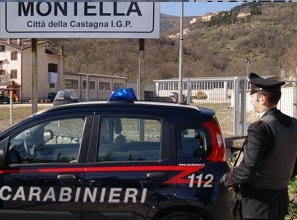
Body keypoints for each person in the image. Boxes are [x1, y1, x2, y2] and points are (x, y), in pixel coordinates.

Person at [221, 72, 297, 220]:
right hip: (279, 202)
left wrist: (227, 179)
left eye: (252, 95)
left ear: (262, 99)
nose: (251, 99)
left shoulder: (260, 128)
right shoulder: (294, 124)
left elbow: (248, 169)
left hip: (257, 206)